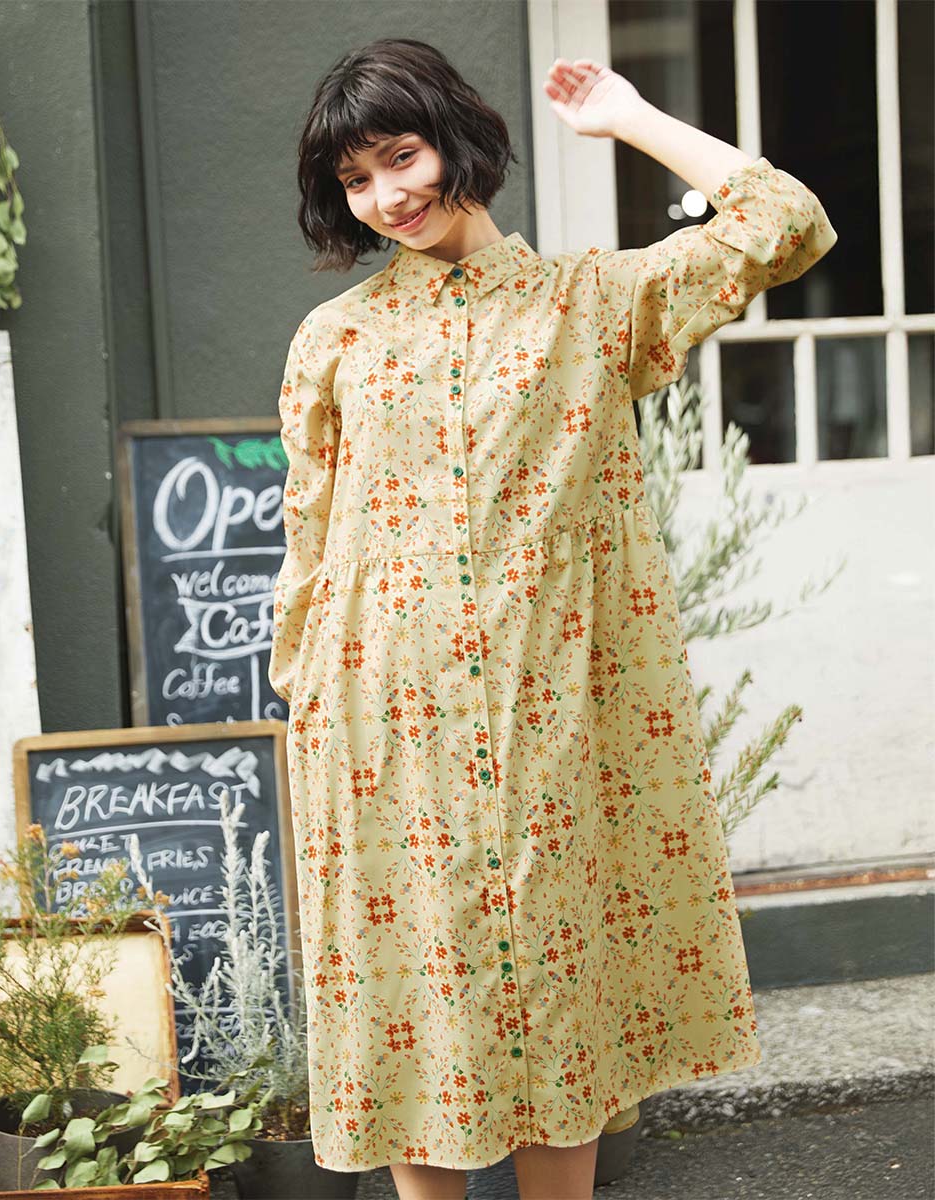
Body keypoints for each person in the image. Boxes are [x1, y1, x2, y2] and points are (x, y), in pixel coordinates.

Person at [268, 37, 837, 1200]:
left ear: (454, 140)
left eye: (402, 157)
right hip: (383, 735)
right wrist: (308, 696)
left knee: (558, 999)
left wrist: (628, 117)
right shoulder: (336, 339)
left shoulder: (590, 304)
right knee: (419, 999)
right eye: (356, 180)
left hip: (552, 720)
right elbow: (309, 544)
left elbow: (783, 223)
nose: (387, 197)